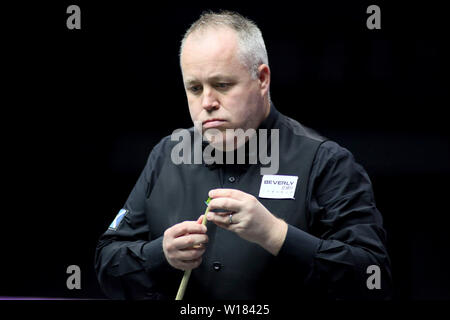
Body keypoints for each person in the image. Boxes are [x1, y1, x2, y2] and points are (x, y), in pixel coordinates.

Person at [95, 10, 392, 300]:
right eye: (195, 88)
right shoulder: (166, 155)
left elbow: (372, 277)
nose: (207, 102)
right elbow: (107, 262)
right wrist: (159, 255)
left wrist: (275, 234)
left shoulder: (326, 162)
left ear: (262, 79)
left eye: (222, 85)